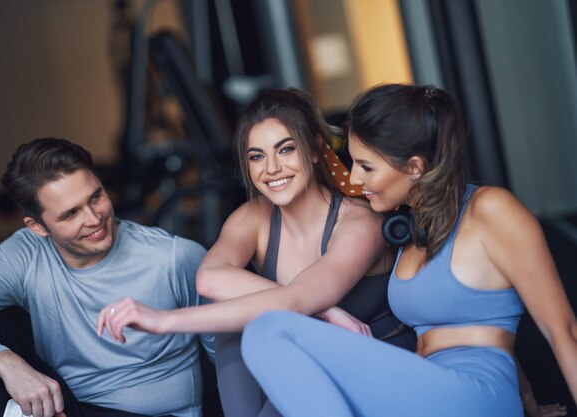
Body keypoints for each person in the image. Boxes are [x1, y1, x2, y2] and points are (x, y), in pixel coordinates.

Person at [236, 83, 577, 417]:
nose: (353, 179)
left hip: (471, 394)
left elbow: (563, 331)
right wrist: (526, 393)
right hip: (425, 386)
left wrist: (520, 393)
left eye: (366, 167)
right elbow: (471, 314)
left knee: (268, 332)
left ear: (414, 167)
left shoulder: (491, 209)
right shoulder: (407, 228)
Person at [96, 88, 415, 417]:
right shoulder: (253, 217)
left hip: (376, 364)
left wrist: (162, 321)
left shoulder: (360, 222)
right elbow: (208, 279)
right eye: (257, 156)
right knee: (236, 325)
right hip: (311, 362)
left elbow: (298, 299)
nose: (272, 168)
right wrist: (325, 311)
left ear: (317, 150)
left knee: (260, 323)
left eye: (286, 149)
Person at [0, 138, 213, 417]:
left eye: (96, 197)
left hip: (155, 413)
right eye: (71, 213)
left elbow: (228, 354)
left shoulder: (174, 257)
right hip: (69, 406)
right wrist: (6, 364)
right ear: (37, 227)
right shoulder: (25, 252)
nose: (94, 218)